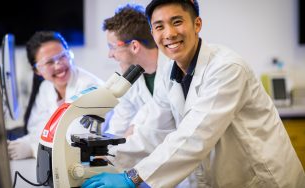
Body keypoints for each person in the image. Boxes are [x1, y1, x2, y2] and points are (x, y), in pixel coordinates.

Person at [82, 0, 305, 187]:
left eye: (177, 22)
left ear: (197, 24)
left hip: (263, 178)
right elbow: (154, 131)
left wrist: (131, 177)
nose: (169, 33)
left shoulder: (227, 68)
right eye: (159, 26)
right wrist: (104, 161)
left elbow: (196, 135)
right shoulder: (169, 70)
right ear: (152, 32)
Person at [7, 31, 103, 160]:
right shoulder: (46, 87)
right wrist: (22, 143)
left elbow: (78, 138)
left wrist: (32, 148)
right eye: (49, 62)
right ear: (37, 70)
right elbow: (37, 127)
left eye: (62, 56)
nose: (58, 65)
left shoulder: (89, 87)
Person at [101, 4, 169, 138]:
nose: (110, 54)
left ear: (134, 46)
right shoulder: (129, 79)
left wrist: (132, 131)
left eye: (113, 47)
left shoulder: (173, 70)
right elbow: (118, 126)